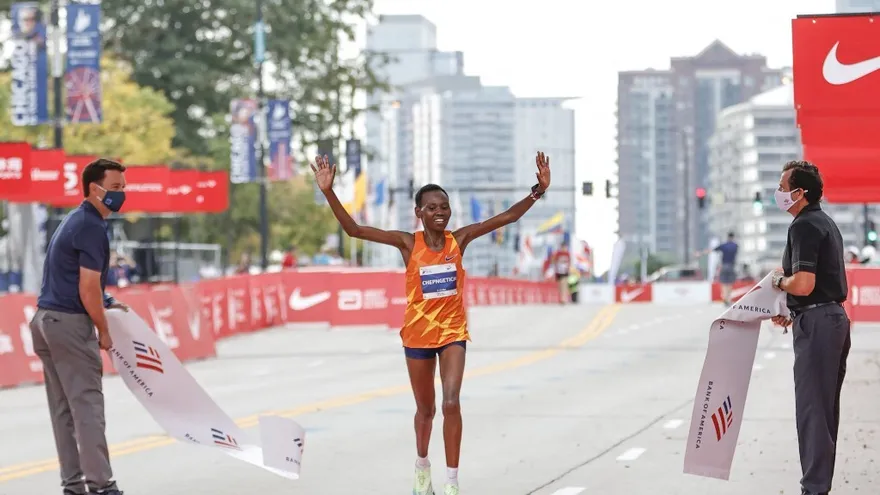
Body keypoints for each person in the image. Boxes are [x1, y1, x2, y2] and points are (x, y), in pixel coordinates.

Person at [313, 152, 551, 495]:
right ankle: (422, 467)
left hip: (453, 333)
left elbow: (508, 217)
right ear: (419, 213)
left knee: (451, 402)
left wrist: (537, 191)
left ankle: (452, 483)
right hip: (417, 337)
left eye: (445, 207)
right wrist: (328, 191)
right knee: (426, 410)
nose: (440, 212)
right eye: (432, 208)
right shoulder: (408, 243)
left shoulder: (460, 239)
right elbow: (354, 230)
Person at [30, 158, 129, 495]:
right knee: (87, 407)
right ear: (94, 189)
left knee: (63, 410)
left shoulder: (75, 219)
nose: (121, 193)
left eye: (123, 187)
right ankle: (101, 485)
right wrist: (104, 329)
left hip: (45, 320)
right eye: (115, 187)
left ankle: (73, 484)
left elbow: (73, 276)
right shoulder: (92, 227)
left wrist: (107, 299)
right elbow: (87, 290)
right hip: (70, 324)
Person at [769, 160, 850, 495]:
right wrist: (792, 309)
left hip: (818, 325)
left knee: (812, 411)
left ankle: (814, 489)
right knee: (824, 411)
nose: (778, 193)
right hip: (830, 319)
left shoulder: (803, 226)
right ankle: (818, 485)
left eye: (782, 187)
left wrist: (778, 281)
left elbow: (803, 283)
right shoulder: (824, 222)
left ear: (799, 193)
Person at [696, 232, 739, 305]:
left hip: (724, 266)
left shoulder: (724, 245)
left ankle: (725, 298)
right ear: (733, 237)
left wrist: (701, 253)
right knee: (730, 283)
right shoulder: (735, 246)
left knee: (724, 283)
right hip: (731, 266)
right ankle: (728, 299)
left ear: (727, 237)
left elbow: (712, 250)